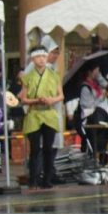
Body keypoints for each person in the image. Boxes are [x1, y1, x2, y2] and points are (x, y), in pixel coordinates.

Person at [19, 46, 63, 190]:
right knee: (35, 149)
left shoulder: (54, 75)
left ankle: (47, 180)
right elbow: (24, 99)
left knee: (48, 149)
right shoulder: (28, 77)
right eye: (38, 57)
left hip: (49, 112)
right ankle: (33, 180)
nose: (42, 59)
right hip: (34, 113)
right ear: (33, 59)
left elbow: (61, 95)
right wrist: (36, 100)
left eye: (44, 56)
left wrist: (52, 100)